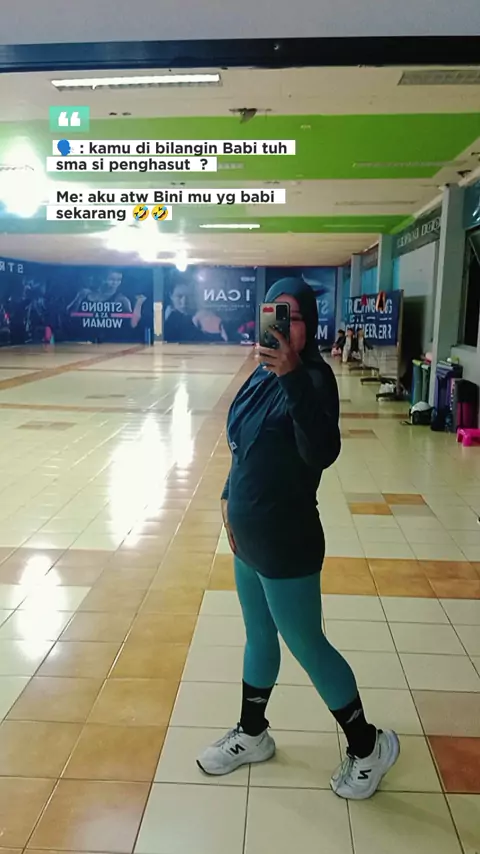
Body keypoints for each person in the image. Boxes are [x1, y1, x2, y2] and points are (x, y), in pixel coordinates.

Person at [197, 278, 399, 800]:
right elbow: (242, 441)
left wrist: (290, 375)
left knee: (308, 644)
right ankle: (253, 733)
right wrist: (227, 494)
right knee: (259, 638)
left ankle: (368, 746)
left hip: (287, 539)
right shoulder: (261, 373)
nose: (282, 328)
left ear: (308, 325)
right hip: (248, 537)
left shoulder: (312, 379)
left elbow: (320, 451)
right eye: (274, 315)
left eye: (292, 317)